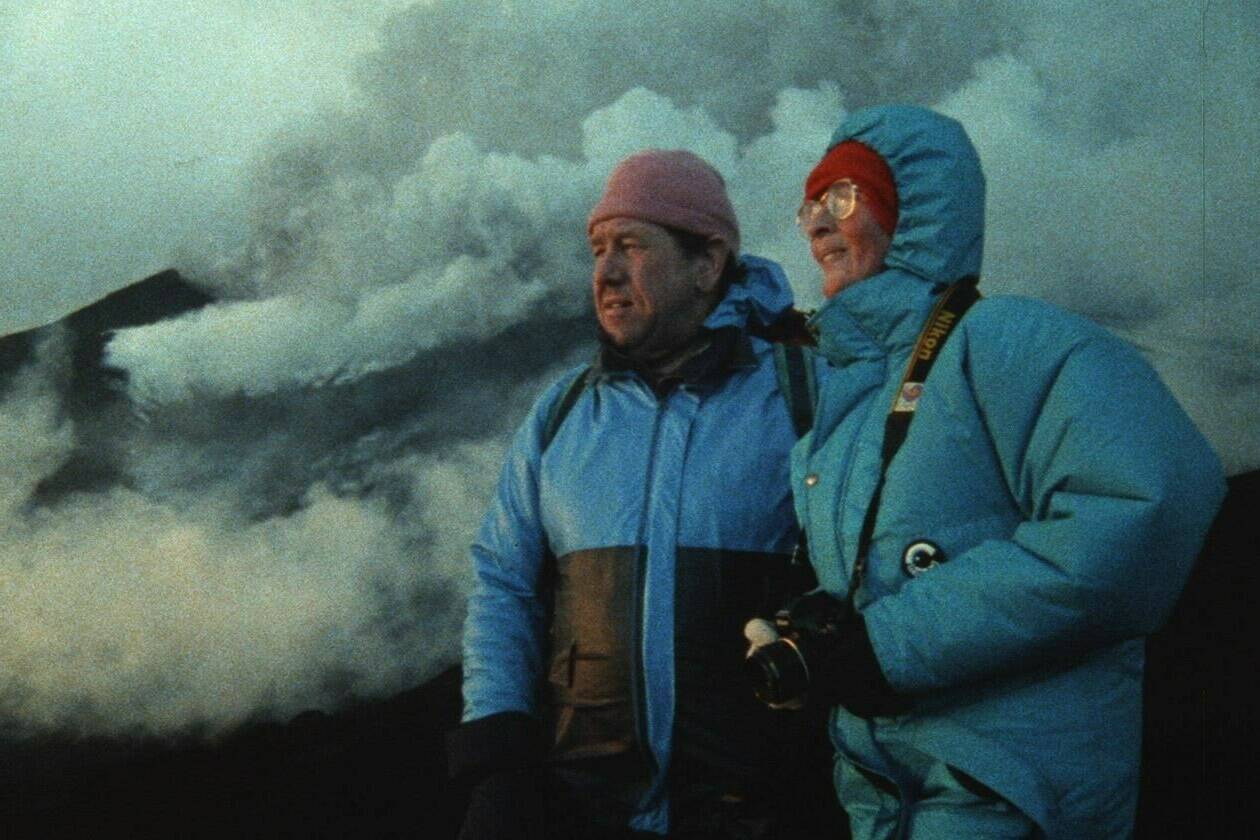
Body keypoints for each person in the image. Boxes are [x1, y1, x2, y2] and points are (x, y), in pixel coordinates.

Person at [744, 105, 1225, 838]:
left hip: (1013, 794)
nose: (814, 224)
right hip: (886, 801)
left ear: (914, 213)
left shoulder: (1007, 342)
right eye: (809, 205)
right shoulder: (842, 417)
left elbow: (1148, 502)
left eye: (841, 198)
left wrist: (889, 644)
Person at [448, 149, 834, 838]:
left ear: (706, 263)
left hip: (761, 815)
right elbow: (504, 583)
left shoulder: (805, 397)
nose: (606, 272)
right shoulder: (560, 413)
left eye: (631, 245)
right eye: (598, 249)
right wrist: (498, 756)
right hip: (585, 812)